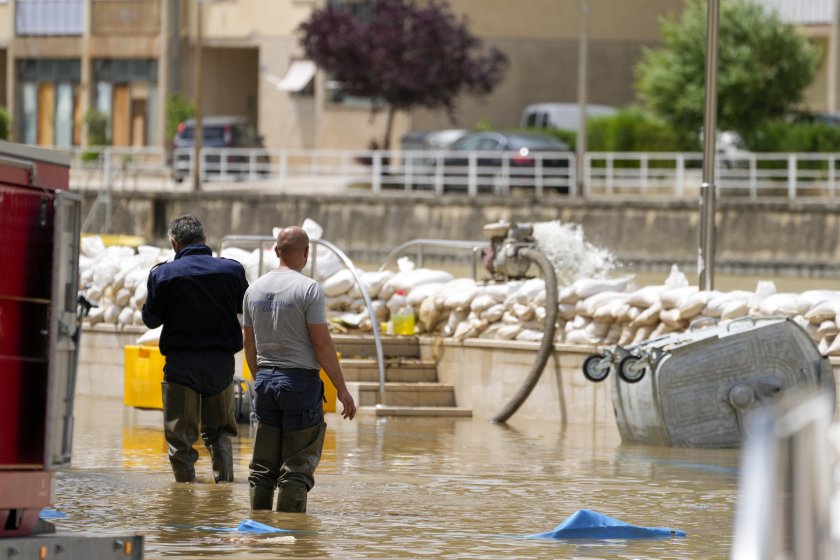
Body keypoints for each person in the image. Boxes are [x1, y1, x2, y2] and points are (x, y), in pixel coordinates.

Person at [243, 225, 356, 512]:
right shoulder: (308, 289)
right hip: (299, 383)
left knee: (263, 468)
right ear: (306, 253)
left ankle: (259, 532)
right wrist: (342, 389)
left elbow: (249, 344)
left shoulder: (253, 289)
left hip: (265, 382)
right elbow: (322, 344)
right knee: (296, 469)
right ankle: (291, 539)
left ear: (276, 251)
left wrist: (260, 380)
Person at [142, 215, 248, 483]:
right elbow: (243, 308)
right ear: (203, 240)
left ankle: (184, 497)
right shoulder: (232, 271)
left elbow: (151, 320)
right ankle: (223, 490)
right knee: (220, 432)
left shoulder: (162, 274)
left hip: (181, 365)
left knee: (180, 437)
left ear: (175, 244)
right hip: (220, 365)